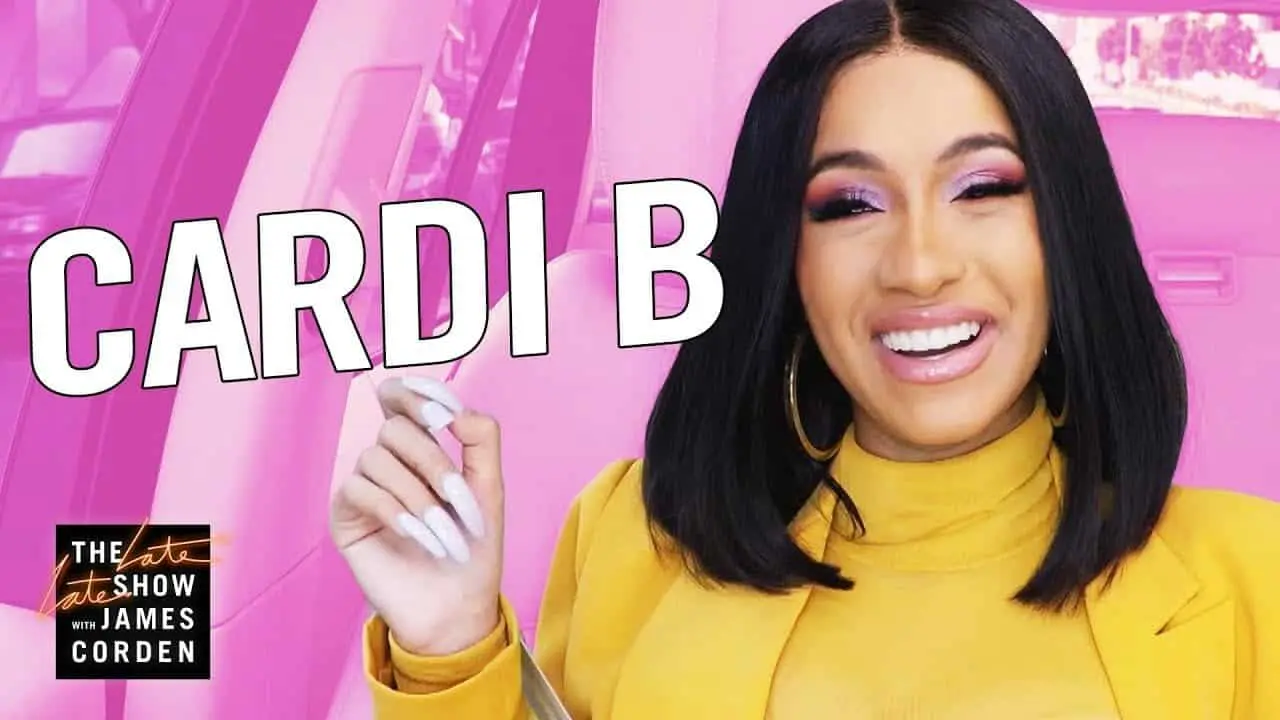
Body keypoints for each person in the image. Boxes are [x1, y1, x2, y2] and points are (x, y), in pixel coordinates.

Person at [329, 0, 1280, 717]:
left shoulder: (1252, 576)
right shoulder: (631, 537)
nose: (919, 266)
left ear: (1065, 227)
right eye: (850, 205)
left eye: (982, 188)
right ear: (790, 260)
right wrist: (450, 648)